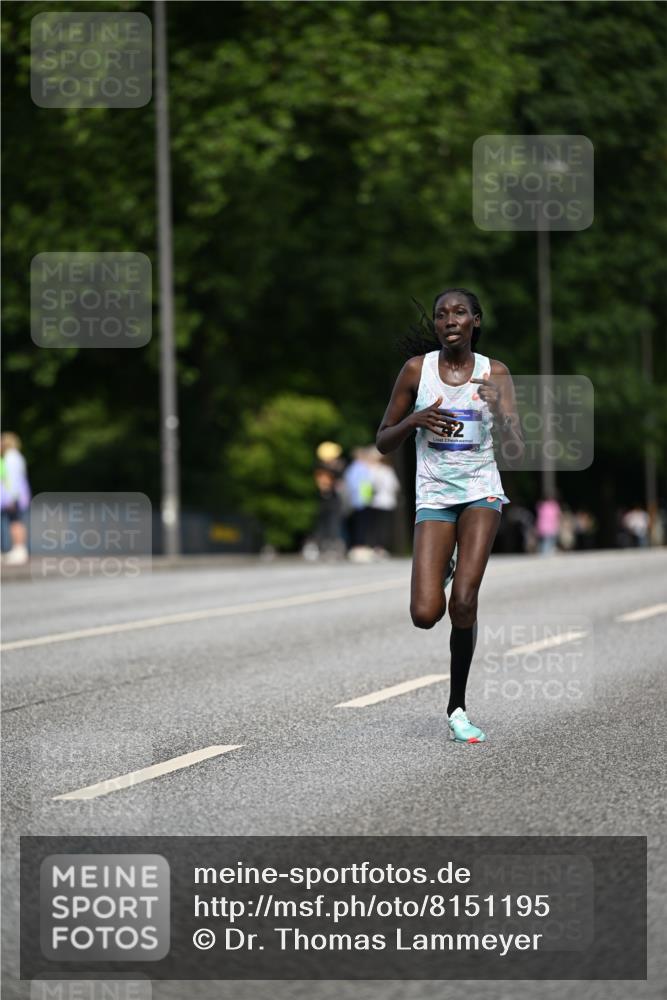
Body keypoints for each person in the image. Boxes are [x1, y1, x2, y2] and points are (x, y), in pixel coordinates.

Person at [376, 288, 523, 744]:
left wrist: (500, 412)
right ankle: (451, 566)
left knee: (463, 603)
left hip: (481, 492)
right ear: (436, 325)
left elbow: (517, 451)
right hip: (435, 497)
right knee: (424, 613)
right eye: (441, 315)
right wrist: (414, 422)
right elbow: (383, 440)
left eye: (460, 312)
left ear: (476, 321)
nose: (449, 320)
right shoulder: (416, 371)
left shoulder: (494, 372)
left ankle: (457, 707)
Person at [0, 432, 31, 565]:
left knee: (15, 522)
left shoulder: (10, 457)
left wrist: (11, 498)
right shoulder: (15, 456)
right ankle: (19, 550)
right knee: (15, 521)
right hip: (15, 495)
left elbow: (12, 479)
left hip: (13, 496)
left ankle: (19, 550)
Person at [366, 448, 401, 557]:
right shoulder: (387, 470)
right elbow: (395, 486)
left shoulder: (371, 470)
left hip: (374, 502)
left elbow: (368, 485)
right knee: (384, 526)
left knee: (374, 526)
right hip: (387, 502)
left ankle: (374, 546)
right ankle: (381, 547)